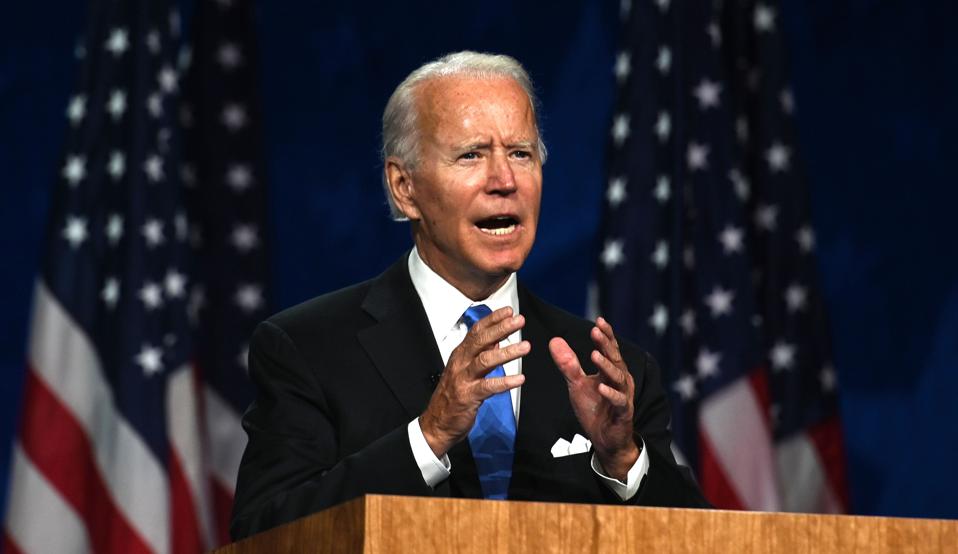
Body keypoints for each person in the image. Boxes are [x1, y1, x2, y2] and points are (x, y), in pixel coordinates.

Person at [230, 51, 708, 540]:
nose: (505, 181)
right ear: (404, 188)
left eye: (521, 153)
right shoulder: (308, 349)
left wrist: (622, 459)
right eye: (471, 155)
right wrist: (429, 436)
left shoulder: (609, 368)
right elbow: (265, 536)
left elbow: (700, 541)